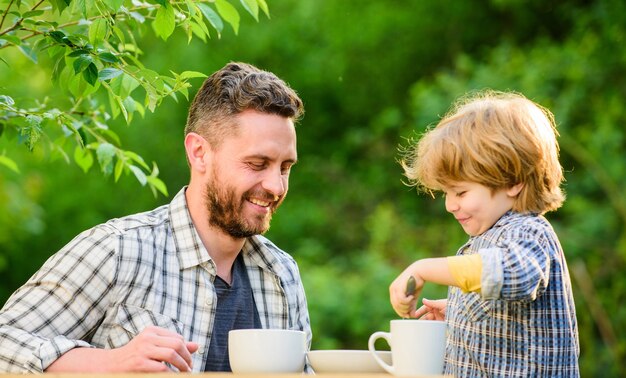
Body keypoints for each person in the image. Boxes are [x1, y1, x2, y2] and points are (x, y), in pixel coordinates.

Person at [0, 62, 312, 373]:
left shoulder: (282, 274)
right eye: (258, 164)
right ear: (199, 153)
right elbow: (6, 341)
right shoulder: (119, 250)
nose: (276, 185)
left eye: (285, 167)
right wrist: (111, 363)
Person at [389, 90, 579, 377]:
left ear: (512, 181)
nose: (450, 205)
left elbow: (512, 274)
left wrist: (423, 268)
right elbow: (502, 304)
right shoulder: (487, 237)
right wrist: (458, 312)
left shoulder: (528, 232)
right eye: (446, 193)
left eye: (461, 192)